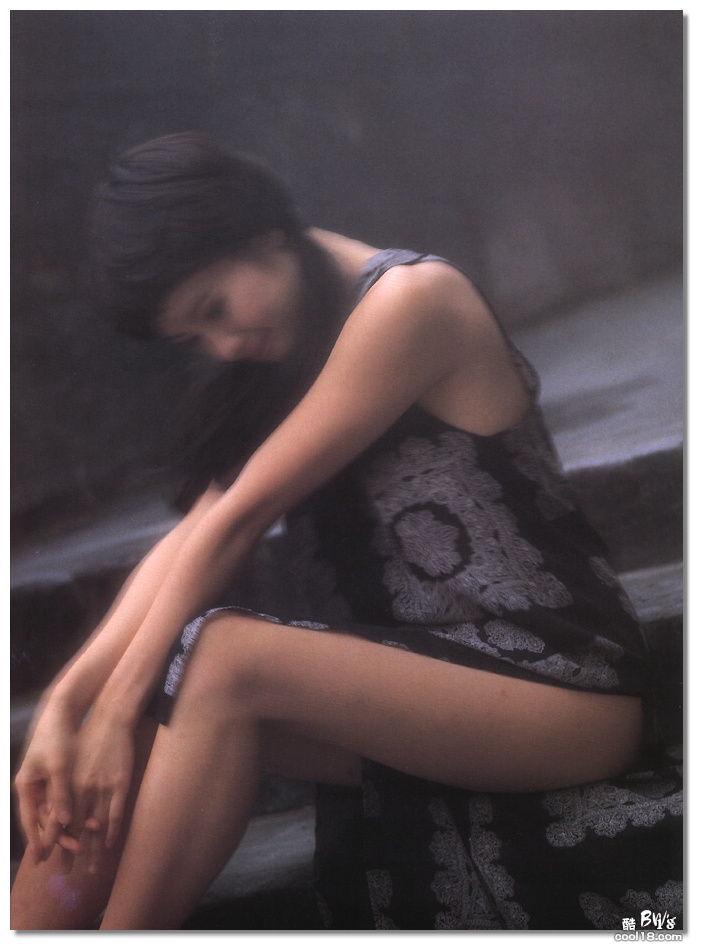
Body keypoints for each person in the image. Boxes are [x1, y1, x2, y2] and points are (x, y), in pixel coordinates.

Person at [10, 131, 682, 931]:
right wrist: (66, 706)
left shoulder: (413, 300)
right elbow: (192, 536)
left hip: (565, 691)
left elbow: (238, 519)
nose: (223, 347)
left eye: (215, 310)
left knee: (217, 658)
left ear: (263, 234)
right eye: (196, 338)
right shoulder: (283, 350)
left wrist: (112, 711)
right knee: (127, 732)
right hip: (432, 692)